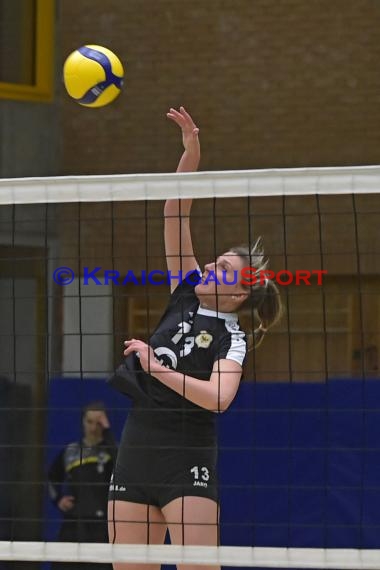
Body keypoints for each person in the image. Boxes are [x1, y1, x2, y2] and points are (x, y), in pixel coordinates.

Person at [108, 107, 282, 570]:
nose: (209, 267)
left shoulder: (232, 338)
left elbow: (220, 398)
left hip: (186, 459)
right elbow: (174, 211)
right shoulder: (183, 294)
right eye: (215, 261)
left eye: (223, 269)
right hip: (135, 450)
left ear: (241, 293)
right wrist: (191, 155)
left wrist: (157, 366)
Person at [48, 401, 117, 570]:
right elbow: (51, 478)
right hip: (74, 524)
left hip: (101, 527)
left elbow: (122, 471)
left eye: (98, 423)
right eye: (89, 421)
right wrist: (58, 499)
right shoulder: (70, 451)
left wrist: (107, 433)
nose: (93, 428)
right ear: (82, 422)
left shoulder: (111, 452)